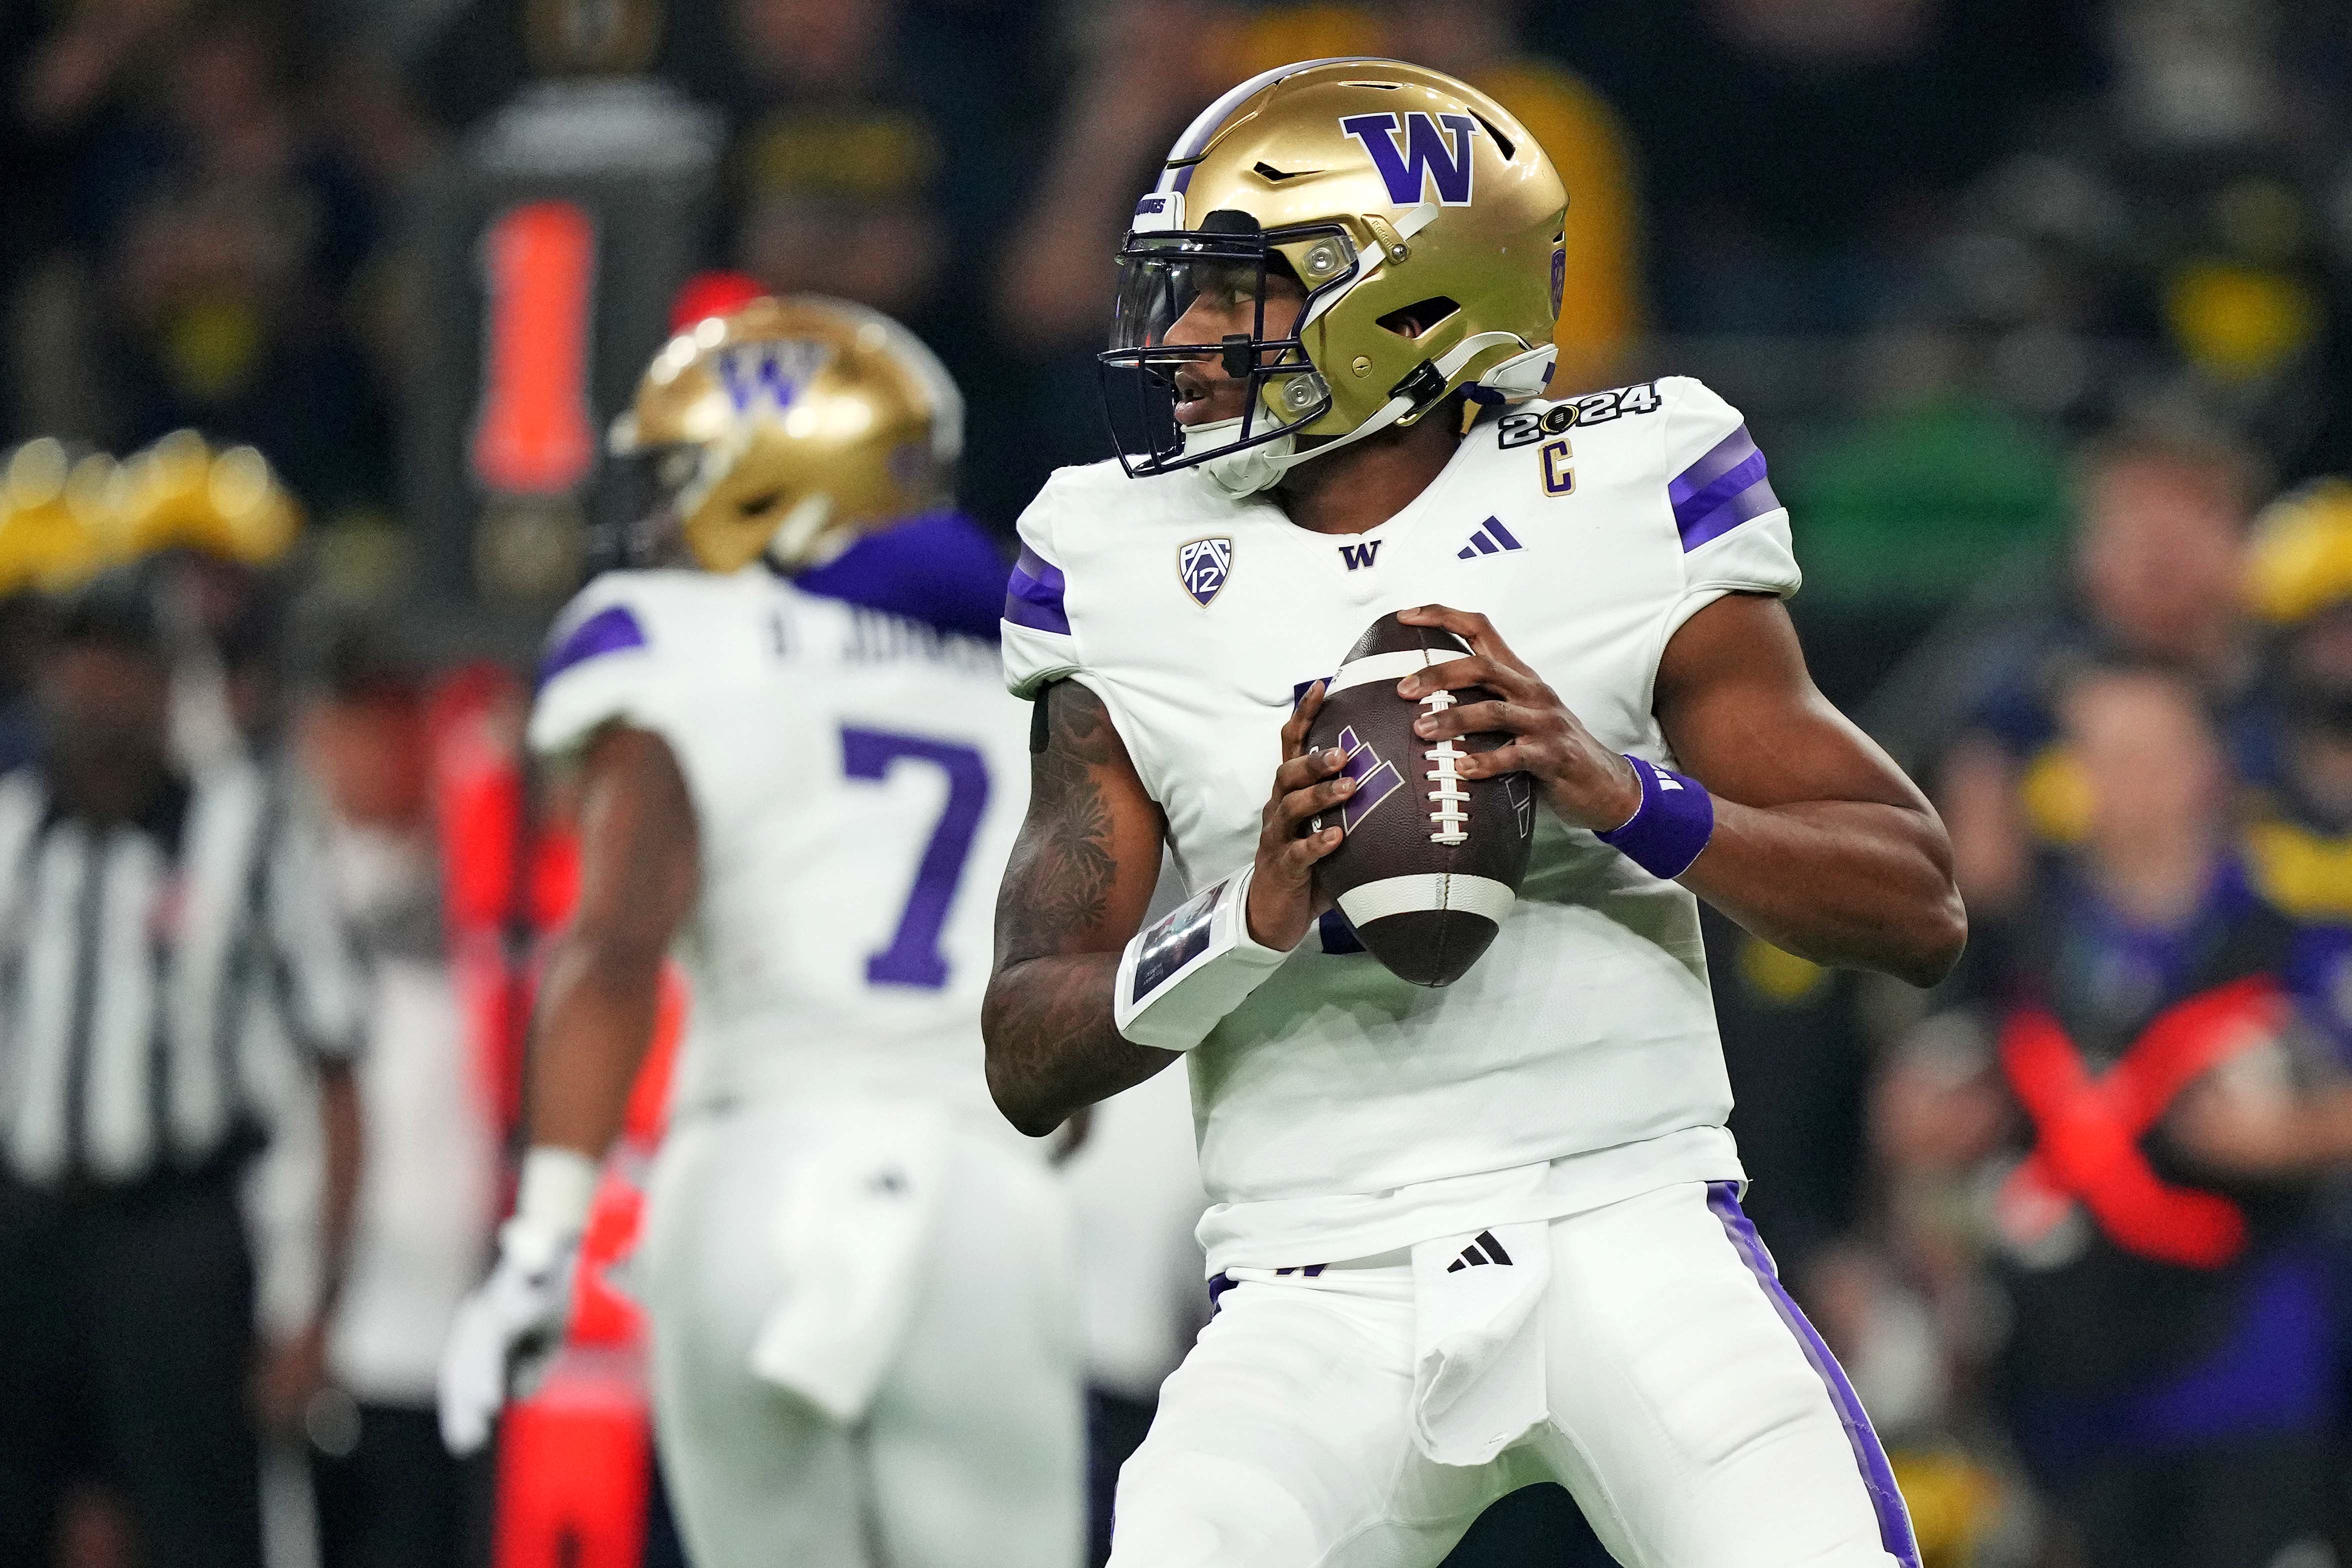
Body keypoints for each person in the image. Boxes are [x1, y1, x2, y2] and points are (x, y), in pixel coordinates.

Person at [986, 58, 1966, 1568]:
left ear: (1407, 306)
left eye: (1233, 291)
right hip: (1309, 1273)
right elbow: (1025, 1048)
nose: (1177, 338)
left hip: (1630, 1215)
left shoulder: (1624, 484)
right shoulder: (1110, 555)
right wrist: (1239, 931)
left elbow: (1916, 906)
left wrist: (1623, 796)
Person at [438, 294, 1084, 1568]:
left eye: (685, 482)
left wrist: (543, 1240)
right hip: (980, 1196)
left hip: (750, 1185)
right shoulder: (1034, 670)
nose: (665, 521)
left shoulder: (673, 635)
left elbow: (616, 942)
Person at [1882, 660, 2352, 1568]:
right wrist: (1933, 1137)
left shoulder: (2291, 932)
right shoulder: (2015, 941)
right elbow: (1918, 1112)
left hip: (2243, 1382)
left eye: (2138, 752)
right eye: (2090, 753)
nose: (2109, 777)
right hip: (2062, 1387)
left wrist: (2299, 1133)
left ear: (2204, 767)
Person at [0, 568, 365, 1568]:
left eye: (122, 661)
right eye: (78, 659)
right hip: (25, 1226)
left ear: (167, 681)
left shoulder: (245, 830)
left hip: (177, 1237)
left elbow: (336, 1064)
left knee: (197, 1523)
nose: (97, 687)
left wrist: (315, 1310)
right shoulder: (12, 830)